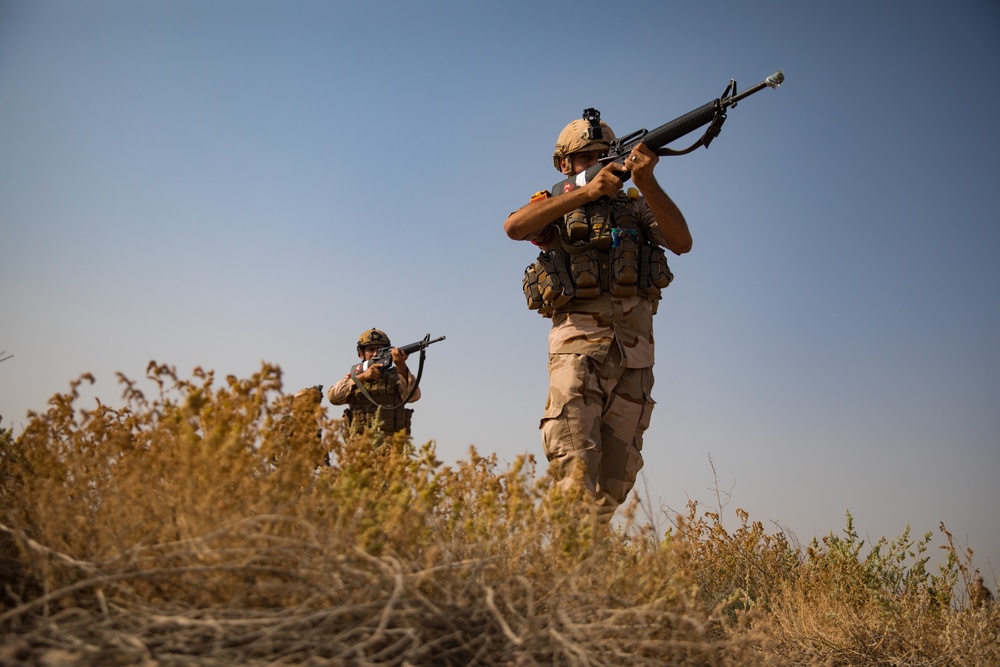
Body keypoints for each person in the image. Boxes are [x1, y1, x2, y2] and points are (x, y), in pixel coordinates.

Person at [504, 112, 692, 522]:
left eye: (604, 155)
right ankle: (573, 569)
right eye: (587, 157)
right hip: (578, 352)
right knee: (574, 467)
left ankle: (589, 567)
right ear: (564, 165)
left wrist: (647, 182)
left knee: (614, 481)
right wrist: (584, 194)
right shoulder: (555, 205)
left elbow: (682, 241)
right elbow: (515, 226)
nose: (599, 161)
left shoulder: (636, 208)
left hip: (634, 360)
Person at [327, 328, 421, 438]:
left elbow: (413, 397)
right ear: (361, 353)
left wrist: (401, 366)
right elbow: (333, 397)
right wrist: (363, 377)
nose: (375, 353)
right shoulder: (354, 377)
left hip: (392, 447)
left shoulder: (396, 377)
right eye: (371, 349)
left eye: (380, 349)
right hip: (360, 446)